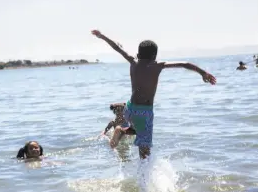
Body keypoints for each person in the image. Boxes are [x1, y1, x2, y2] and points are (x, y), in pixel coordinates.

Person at [91, 30, 216, 159]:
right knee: (145, 154)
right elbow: (185, 64)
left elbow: (117, 47)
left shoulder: (132, 61)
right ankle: (144, 178)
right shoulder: (157, 65)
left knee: (136, 129)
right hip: (144, 112)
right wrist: (203, 73)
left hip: (129, 108)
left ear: (138, 54)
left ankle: (121, 131)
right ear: (155, 55)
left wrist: (101, 36)